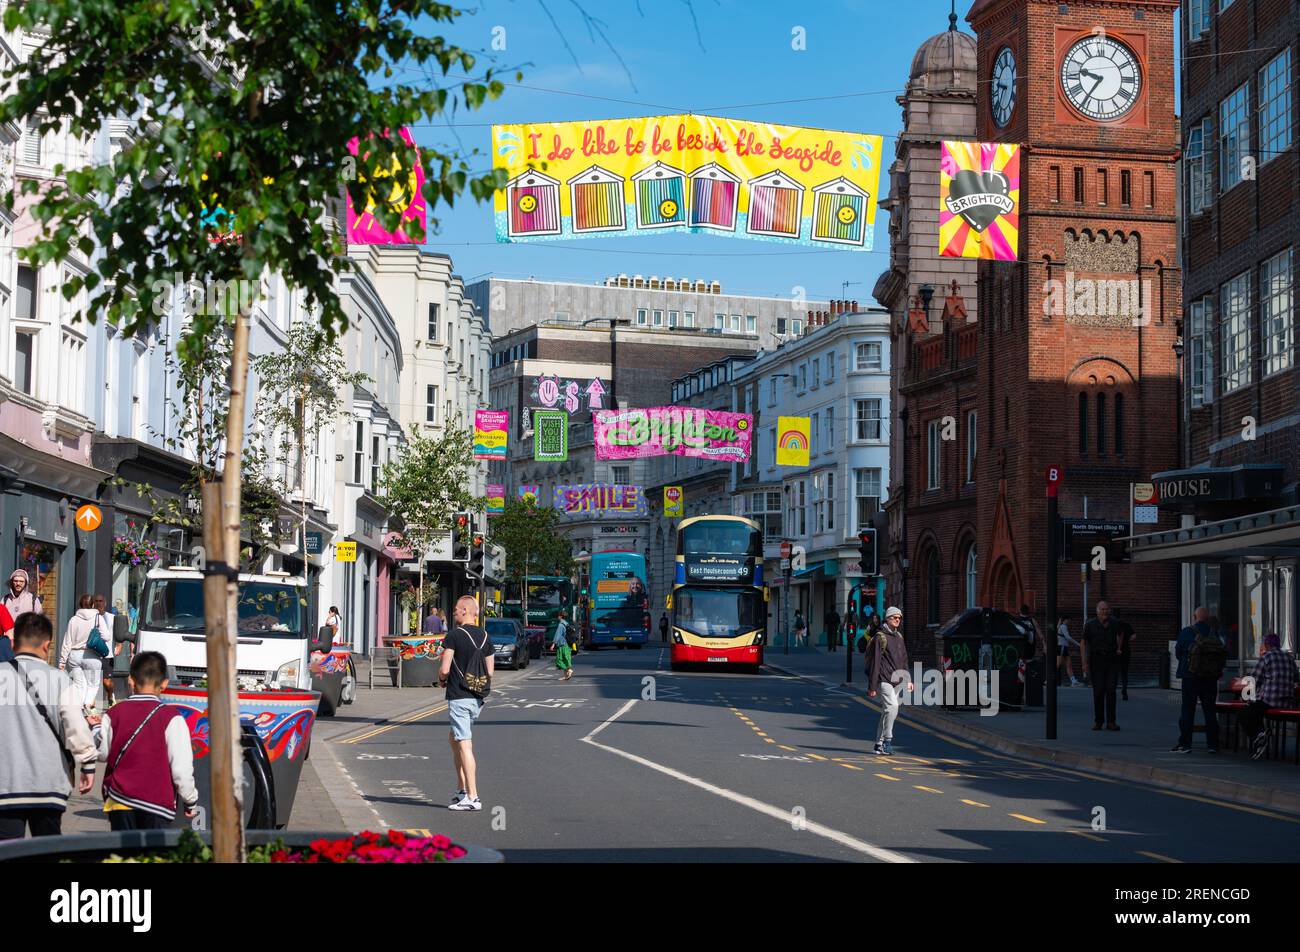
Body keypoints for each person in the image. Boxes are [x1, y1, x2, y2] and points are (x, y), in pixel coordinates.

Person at [0, 612, 97, 839]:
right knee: (47, 852)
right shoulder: (60, 680)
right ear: (47, 645)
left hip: (5, 785)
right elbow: (75, 725)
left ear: (13, 643)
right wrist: (88, 763)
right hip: (48, 785)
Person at [93, 650, 199, 830]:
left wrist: (95, 729)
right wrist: (190, 800)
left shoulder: (115, 713)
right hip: (157, 804)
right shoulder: (172, 718)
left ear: (130, 681)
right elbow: (181, 767)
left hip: (120, 801)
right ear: (165, 683)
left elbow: (102, 753)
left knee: (123, 857)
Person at [438, 595, 494, 812]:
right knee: (454, 739)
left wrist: (442, 679)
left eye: (455, 609)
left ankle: (473, 797)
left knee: (464, 744)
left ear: (464, 610)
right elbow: (489, 672)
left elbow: (444, 668)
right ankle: (462, 789)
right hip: (477, 698)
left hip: (459, 696)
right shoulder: (486, 637)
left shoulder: (453, 636)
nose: (453, 613)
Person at [1172, 606, 1225, 753]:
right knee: (1210, 710)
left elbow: (1178, 653)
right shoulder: (1214, 634)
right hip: (1210, 678)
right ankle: (1213, 745)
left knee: (1188, 710)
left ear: (1194, 617)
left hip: (1190, 677)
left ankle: (1185, 744)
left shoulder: (1187, 632)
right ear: (1207, 619)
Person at [1240, 634, 1299, 759]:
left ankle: (1259, 735)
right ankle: (1261, 737)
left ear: (1267, 645)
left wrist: (1245, 692)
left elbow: (1253, 679)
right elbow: (1296, 678)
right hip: (1288, 703)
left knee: (1245, 711)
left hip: (1270, 702)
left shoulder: (1266, 657)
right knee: (1255, 710)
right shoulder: (1289, 657)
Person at [868, 607, 912, 756]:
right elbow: (875, 662)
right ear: (887, 619)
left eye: (899, 618)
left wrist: (908, 679)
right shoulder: (881, 637)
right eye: (894, 617)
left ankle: (878, 744)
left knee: (887, 712)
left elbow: (904, 659)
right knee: (892, 707)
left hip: (898, 680)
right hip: (885, 679)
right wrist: (872, 686)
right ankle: (887, 740)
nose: (897, 620)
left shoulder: (899, 636)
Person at [59, 594, 109, 715]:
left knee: (79, 685)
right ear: (92, 605)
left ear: (80, 605)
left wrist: (62, 661)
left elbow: (67, 642)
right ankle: (87, 705)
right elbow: (107, 637)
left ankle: (78, 712)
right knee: (93, 685)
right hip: (92, 656)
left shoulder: (73, 619)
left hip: (74, 656)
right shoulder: (98, 618)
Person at [1081, 601, 1122, 731]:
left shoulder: (1115, 623)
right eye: (1102, 609)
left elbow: (1121, 634)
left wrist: (1119, 648)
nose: (1105, 612)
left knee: (1111, 690)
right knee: (1098, 691)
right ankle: (1098, 721)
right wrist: (1084, 662)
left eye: (1107, 609)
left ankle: (1111, 721)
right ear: (1097, 611)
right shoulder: (1090, 625)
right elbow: (1083, 643)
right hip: (1096, 659)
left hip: (1111, 659)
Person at [93, 595, 117, 708]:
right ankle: (91, 704)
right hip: (93, 654)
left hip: (108, 654)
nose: (99, 603)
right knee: (93, 681)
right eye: (96, 601)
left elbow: (117, 633)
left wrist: (119, 645)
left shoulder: (112, 617)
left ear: (105, 603)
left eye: (101, 601)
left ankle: (110, 696)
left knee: (107, 682)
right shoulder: (91, 617)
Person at [1114, 608, 1135, 701]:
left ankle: (1112, 691)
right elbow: (1134, 636)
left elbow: (1116, 636)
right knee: (1124, 672)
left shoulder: (1112, 624)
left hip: (1115, 651)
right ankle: (1124, 690)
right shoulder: (1126, 624)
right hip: (1126, 651)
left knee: (1114, 671)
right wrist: (1127, 640)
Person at [1056, 617, 1081, 686]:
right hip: (1062, 647)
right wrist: (1078, 644)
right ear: (1065, 620)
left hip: (1064, 648)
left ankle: (1073, 681)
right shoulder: (1063, 626)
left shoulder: (1060, 626)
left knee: (1069, 665)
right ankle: (1048, 679)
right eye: (1068, 620)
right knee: (1057, 665)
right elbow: (1068, 637)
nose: (1069, 622)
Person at [553, 615, 573, 681]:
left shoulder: (561, 625)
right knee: (566, 659)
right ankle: (566, 675)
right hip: (567, 644)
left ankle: (569, 670)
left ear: (560, 616)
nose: (557, 617)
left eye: (558, 616)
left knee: (559, 659)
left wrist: (553, 644)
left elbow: (557, 635)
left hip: (562, 644)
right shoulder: (566, 623)